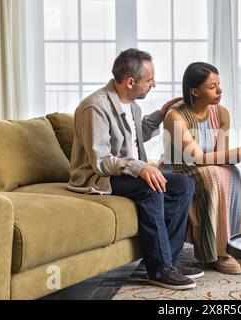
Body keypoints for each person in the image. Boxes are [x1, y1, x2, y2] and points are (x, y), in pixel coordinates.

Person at [67, 48, 204, 290]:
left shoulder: (130, 104)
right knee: (151, 187)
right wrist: (140, 167)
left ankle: (168, 260)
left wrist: (161, 114)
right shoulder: (94, 107)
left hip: (123, 172)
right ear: (131, 82)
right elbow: (100, 161)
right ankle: (159, 269)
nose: (154, 84)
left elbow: (133, 133)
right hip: (99, 179)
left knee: (184, 184)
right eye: (150, 80)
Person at [161, 62, 241, 275]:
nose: (220, 90)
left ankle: (237, 246)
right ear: (195, 91)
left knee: (232, 173)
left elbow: (219, 157)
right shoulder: (174, 116)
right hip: (178, 167)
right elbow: (195, 157)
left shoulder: (221, 113)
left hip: (207, 166)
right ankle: (218, 252)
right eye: (212, 86)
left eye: (219, 84)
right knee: (212, 176)